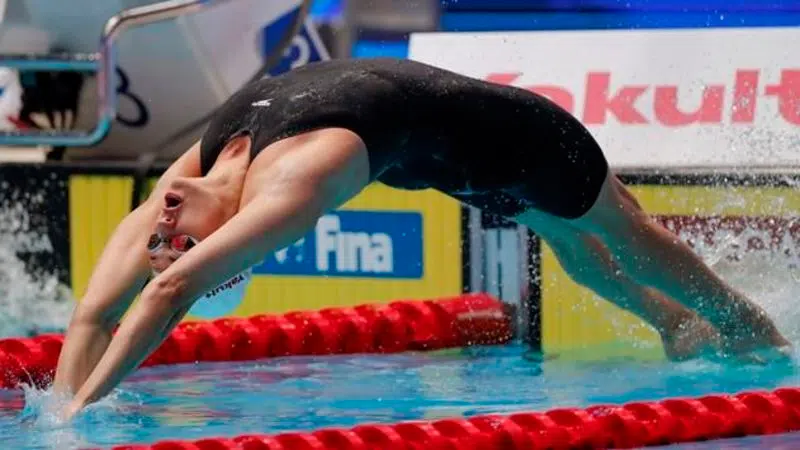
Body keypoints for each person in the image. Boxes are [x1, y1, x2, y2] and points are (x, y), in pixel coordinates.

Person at [53, 57, 791, 419]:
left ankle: (746, 326)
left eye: (162, 234)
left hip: (520, 136)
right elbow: (136, 299)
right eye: (170, 237)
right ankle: (676, 323)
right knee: (577, 252)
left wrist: (72, 413)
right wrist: (69, 421)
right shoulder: (274, 189)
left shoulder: (239, 172)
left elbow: (137, 297)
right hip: (471, 160)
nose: (161, 226)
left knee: (618, 236)